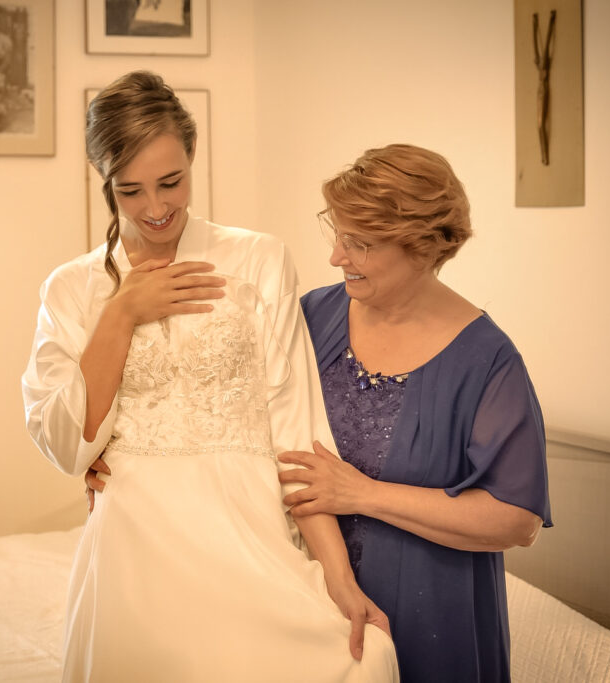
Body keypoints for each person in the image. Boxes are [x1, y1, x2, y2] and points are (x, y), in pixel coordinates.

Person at [21, 71, 398, 682]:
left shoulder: (259, 259)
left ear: (192, 156)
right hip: (132, 552)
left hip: (247, 532)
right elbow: (69, 446)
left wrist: (339, 576)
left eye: (171, 182)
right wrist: (120, 314)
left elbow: (295, 433)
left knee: (360, 659)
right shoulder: (71, 289)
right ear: (104, 181)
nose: (155, 209)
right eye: (130, 191)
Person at [279, 144, 552, 682]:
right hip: (308, 599)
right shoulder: (313, 316)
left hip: (432, 617)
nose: (336, 257)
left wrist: (363, 494)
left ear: (422, 247)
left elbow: (517, 520)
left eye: (359, 243)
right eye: (338, 235)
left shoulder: (487, 360)